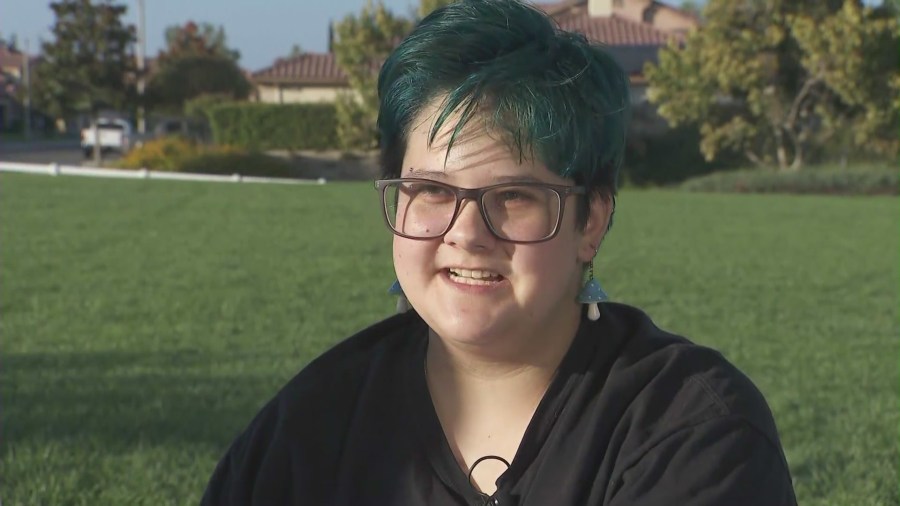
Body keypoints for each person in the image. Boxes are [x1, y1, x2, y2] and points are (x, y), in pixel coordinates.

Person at [201, 1, 797, 504]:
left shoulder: (691, 432)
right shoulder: (311, 427)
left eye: (513, 195)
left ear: (591, 221)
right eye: (431, 189)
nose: (465, 233)